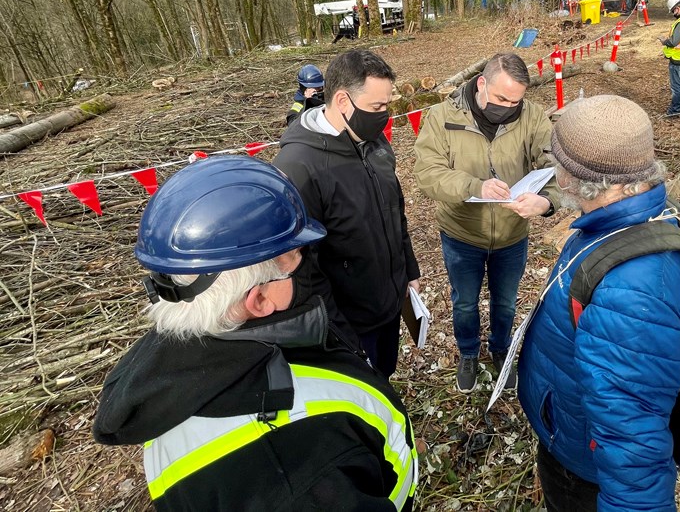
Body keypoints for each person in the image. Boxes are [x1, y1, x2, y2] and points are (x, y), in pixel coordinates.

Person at [92, 156, 418, 511]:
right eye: (295, 256)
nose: (307, 262)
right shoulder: (297, 478)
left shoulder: (169, 369)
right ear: (259, 299)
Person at [517, 95, 680, 511]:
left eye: (555, 158)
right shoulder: (632, 219)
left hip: (584, 472)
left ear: (568, 177)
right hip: (571, 430)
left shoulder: (630, 295)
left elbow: (634, 445)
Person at [413, 53, 558, 393]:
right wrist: (474, 186)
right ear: (481, 83)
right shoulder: (442, 117)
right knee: (464, 301)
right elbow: (427, 174)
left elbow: (554, 163)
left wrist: (547, 201)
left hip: (511, 234)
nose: (509, 107)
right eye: (501, 98)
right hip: (462, 233)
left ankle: (501, 350)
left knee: (505, 301)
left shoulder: (533, 117)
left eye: (516, 101)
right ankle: (468, 353)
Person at [274, 50, 420, 378]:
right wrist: (344, 337)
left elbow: (395, 210)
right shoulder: (298, 168)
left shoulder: (374, 141)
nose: (385, 116)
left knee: (385, 374)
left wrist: (408, 271)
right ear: (342, 101)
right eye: (377, 108)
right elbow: (301, 268)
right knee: (366, 389)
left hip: (389, 302)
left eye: (387, 105)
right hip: (349, 322)